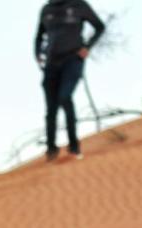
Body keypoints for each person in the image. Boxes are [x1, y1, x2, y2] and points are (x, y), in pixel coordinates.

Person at [34, 0, 106, 162]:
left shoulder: (79, 5)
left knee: (65, 97)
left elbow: (100, 27)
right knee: (51, 108)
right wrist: (38, 54)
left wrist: (87, 47)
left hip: (72, 60)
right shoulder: (47, 9)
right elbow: (39, 36)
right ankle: (51, 149)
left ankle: (74, 146)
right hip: (51, 64)